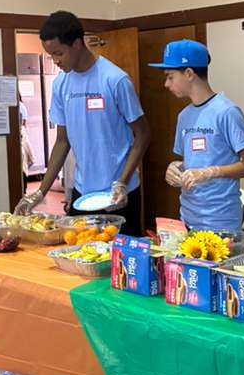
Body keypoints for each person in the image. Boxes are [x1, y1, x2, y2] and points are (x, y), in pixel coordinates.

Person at [15, 12, 150, 235]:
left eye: (59, 53)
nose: (56, 61)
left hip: (119, 193)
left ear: (77, 44)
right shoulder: (61, 84)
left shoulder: (115, 79)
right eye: (51, 55)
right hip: (82, 194)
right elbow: (62, 141)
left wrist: (122, 182)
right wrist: (40, 192)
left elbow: (143, 134)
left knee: (121, 256)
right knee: (78, 251)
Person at [149, 39, 244, 232]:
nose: (166, 84)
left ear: (189, 73)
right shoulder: (184, 116)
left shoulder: (226, 112)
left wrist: (211, 172)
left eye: (170, 77)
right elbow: (192, 161)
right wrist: (175, 168)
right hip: (188, 218)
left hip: (220, 221)